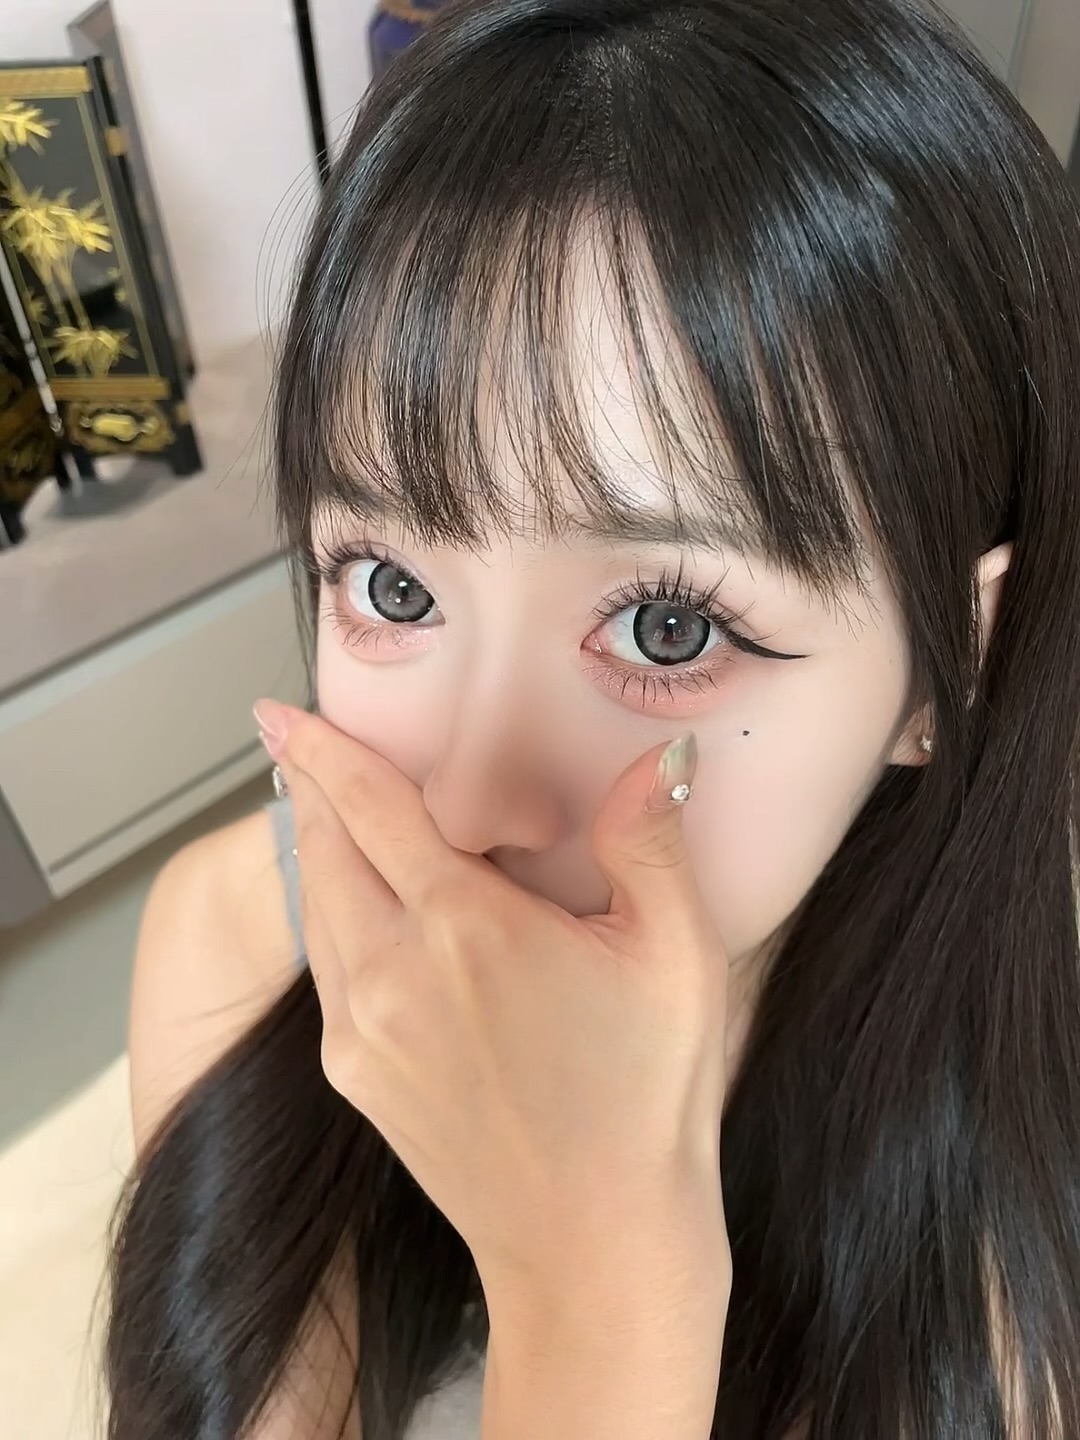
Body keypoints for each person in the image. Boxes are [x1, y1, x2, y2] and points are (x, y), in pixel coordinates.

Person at [103, 0, 1080, 1435]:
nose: (466, 807)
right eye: (390, 584)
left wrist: (602, 1280)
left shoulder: (1015, 1243)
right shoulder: (242, 941)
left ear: (951, 665)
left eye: (668, 628)